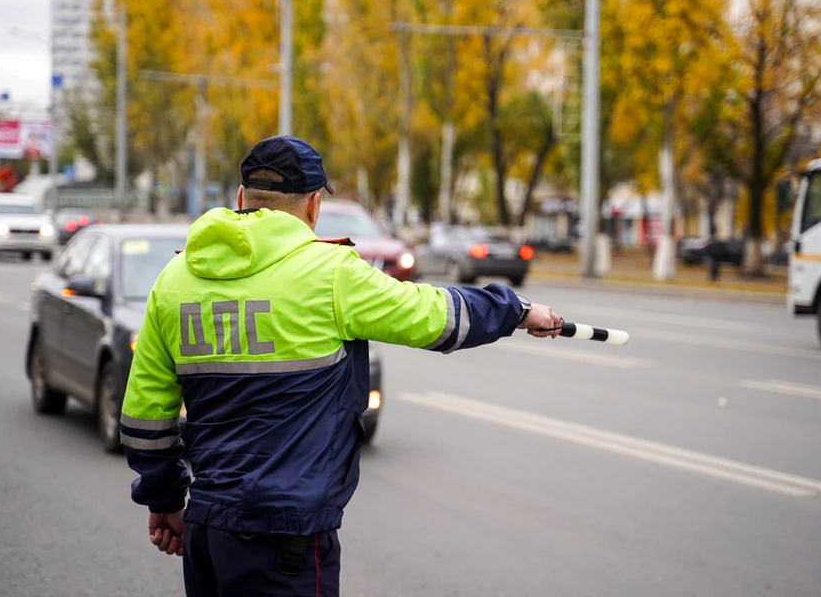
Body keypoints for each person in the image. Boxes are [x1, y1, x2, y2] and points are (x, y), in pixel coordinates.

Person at [120, 135, 563, 597]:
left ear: (240, 198)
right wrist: (514, 309)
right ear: (313, 204)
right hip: (286, 535)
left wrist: (164, 497)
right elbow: (435, 316)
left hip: (206, 529)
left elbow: (144, 414)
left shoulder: (174, 280)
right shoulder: (330, 272)